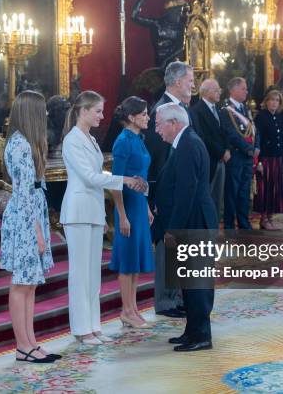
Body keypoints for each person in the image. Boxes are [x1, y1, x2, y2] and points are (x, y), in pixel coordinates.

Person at [61, 91, 146, 345]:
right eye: (97, 111)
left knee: (93, 274)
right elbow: (90, 176)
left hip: (93, 210)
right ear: (83, 111)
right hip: (77, 210)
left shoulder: (91, 140)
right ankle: (81, 328)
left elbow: (97, 173)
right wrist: (124, 180)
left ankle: (94, 326)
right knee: (80, 273)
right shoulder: (72, 140)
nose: (102, 116)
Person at [153, 102, 217, 352]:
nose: (157, 130)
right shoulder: (185, 142)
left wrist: (174, 228)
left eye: (159, 124)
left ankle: (202, 336)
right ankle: (192, 331)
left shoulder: (189, 144)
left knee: (197, 283)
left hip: (194, 223)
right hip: (192, 221)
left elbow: (186, 192)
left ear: (173, 123)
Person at [0, 91, 58, 363]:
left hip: (32, 211)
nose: (45, 114)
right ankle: (22, 345)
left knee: (31, 283)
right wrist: (37, 231)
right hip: (25, 217)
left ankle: (31, 342)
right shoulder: (19, 144)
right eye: (42, 110)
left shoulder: (27, 142)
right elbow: (23, 193)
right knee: (21, 283)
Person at [144, 62, 194, 319]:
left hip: (179, 189)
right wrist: (155, 198)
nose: (192, 85)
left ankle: (178, 296)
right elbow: (157, 157)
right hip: (166, 192)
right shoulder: (160, 111)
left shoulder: (182, 109)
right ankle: (166, 301)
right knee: (167, 245)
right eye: (189, 81)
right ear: (176, 82)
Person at [110, 96, 155, 329]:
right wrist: (122, 215)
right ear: (131, 117)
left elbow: (141, 178)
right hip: (126, 207)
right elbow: (116, 182)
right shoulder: (123, 141)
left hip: (138, 205)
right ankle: (126, 310)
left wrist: (146, 206)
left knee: (136, 259)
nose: (148, 117)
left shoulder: (139, 139)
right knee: (127, 261)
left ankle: (134, 308)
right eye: (144, 113)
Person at [220, 77, 260, 230]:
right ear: (233, 90)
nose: (246, 91)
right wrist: (248, 148)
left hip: (248, 157)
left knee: (244, 192)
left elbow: (254, 129)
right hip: (236, 156)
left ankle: (244, 223)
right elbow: (231, 134)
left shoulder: (245, 109)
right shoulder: (226, 110)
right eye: (243, 88)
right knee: (232, 193)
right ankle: (229, 226)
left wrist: (257, 146)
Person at [190, 79, 229, 214]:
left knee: (217, 199)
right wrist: (221, 152)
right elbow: (203, 137)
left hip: (221, 160)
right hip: (209, 160)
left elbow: (224, 132)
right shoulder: (197, 110)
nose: (219, 93)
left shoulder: (217, 109)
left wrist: (227, 150)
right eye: (216, 90)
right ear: (206, 92)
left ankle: (214, 230)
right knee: (207, 199)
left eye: (220, 90)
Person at [253, 89, 283, 230]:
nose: (274, 103)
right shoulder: (261, 117)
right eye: (271, 100)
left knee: (275, 189)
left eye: (277, 100)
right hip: (265, 159)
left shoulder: (278, 117)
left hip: (277, 159)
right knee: (265, 189)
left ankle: (270, 218)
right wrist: (259, 161)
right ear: (266, 101)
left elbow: (282, 140)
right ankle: (263, 219)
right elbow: (257, 141)